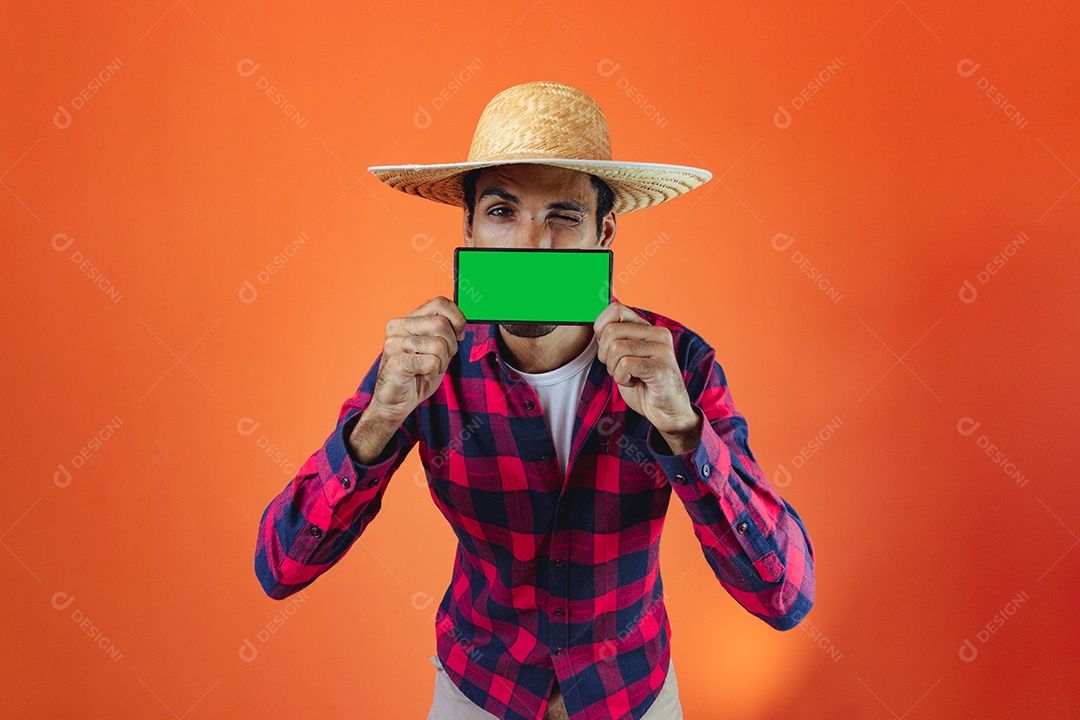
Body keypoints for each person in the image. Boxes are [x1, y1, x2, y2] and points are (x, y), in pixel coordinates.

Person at [254, 81, 815, 720]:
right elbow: (281, 566)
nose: (532, 243)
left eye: (563, 218)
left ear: (604, 233)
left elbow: (785, 596)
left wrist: (685, 431)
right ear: (467, 225)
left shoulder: (678, 361)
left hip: (631, 695)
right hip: (477, 690)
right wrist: (378, 421)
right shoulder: (421, 366)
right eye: (502, 213)